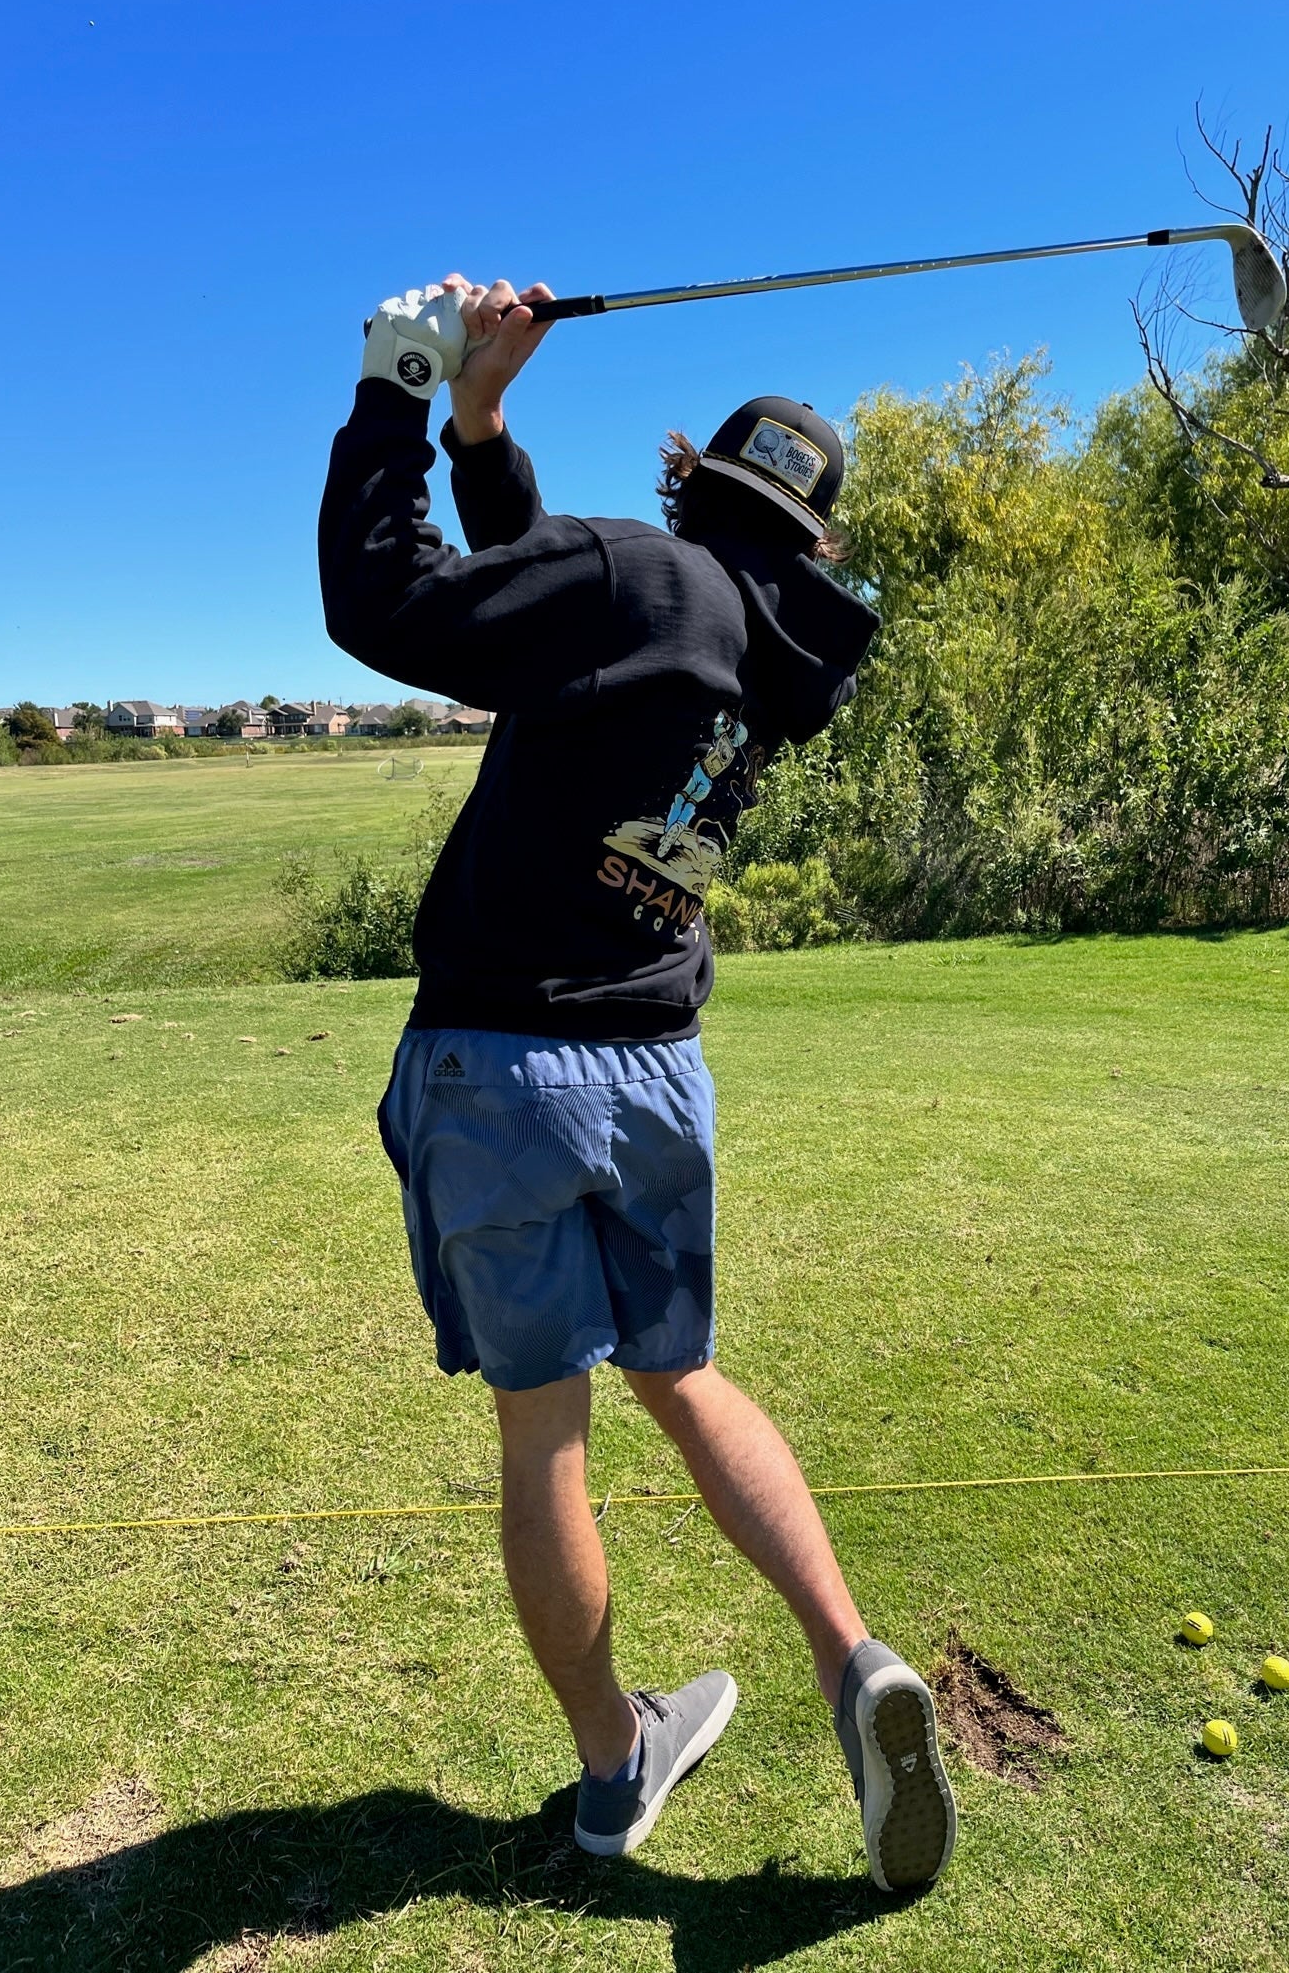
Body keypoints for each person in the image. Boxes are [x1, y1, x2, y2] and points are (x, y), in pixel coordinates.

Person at [319, 276, 957, 1891]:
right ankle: (850, 1659)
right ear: (806, 538)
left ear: (696, 486)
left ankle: (614, 1766)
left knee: (549, 1433)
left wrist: (401, 381)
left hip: (507, 1066)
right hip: (656, 1074)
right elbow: (551, 630)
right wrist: (486, 431)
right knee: (687, 1375)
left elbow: (389, 606)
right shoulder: (768, 642)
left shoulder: (631, 568)